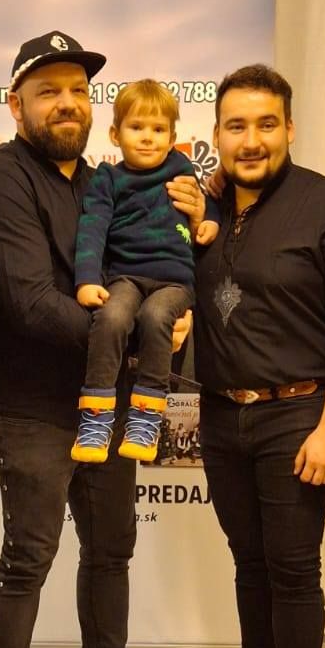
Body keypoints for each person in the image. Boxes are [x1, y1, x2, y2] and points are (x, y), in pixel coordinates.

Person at [0, 32, 201, 648]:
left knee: (111, 548)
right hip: (36, 405)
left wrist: (173, 310)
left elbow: (160, 259)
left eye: (78, 90)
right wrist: (133, 344)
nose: (67, 103)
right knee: (30, 552)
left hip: (108, 400)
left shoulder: (102, 180)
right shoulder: (1, 181)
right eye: (48, 92)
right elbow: (31, 303)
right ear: (15, 106)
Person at [189, 65, 325, 648]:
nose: (252, 140)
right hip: (219, 412)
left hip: (296, 415)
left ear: (289, 128)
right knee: (249, 559)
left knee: (294, 570)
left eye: (266, 124)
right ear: (217, 135)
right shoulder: (203, 205)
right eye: (236, 126)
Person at [72, 78, 220, 463]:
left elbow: (207, 201)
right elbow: (92, 228)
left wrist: (209, 220)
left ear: (172, 139)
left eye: (158, 130)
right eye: (136, 127)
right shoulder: (108, 178)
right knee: (111, 317)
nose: (147, 138)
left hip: (175, 281)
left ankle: (147, 417)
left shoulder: (181, 167)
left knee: (156, 317)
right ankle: (96, 417)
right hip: (126, 277)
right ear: (115, 134)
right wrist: (86, 279)